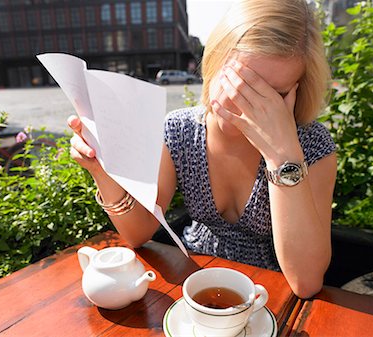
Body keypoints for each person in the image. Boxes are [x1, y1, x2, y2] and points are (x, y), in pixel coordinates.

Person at [67, 0, 337, 299]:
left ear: (297, 89)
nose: (248, 107)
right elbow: (138, 232)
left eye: (274, 95)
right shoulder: (181, 130)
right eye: (241, 83)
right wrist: (100, 170)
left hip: (271, 296)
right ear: (215, 61)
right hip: (194, 284)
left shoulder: (312, 146)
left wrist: (282, 154)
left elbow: (306, 282)